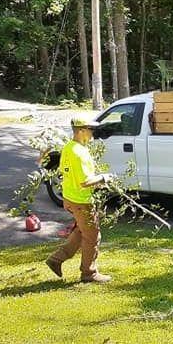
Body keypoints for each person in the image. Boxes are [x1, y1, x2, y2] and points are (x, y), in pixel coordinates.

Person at [46, 119, 113, 283]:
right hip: (81, 201)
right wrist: (104, 178)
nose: (92, 133)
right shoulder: (79, 153)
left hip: (69, 198)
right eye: (90, 129)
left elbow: (65, 171)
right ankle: (89, 273)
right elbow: (85, 182)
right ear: (81, 131)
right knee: (92, 236)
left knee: (81, 231)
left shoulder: (69, 147)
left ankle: (56, 259)